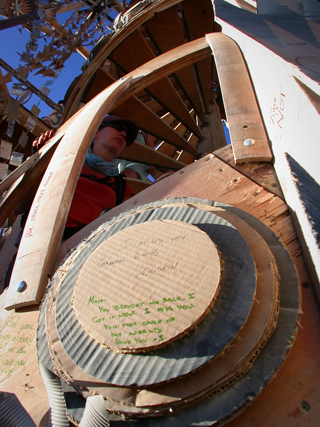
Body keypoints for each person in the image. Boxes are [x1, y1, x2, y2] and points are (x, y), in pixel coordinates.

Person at [63, 114, 138, 239]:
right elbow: (22, 205)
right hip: (50, 242)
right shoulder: (68, 164)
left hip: (89, 249)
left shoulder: (121, 186)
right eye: (117, 127)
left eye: (128, 138)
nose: (123, 134)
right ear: (96, 134)